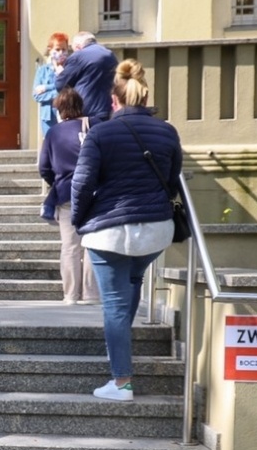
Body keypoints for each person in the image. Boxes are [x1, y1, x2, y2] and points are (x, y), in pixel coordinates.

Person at [70, 60, 182, 401]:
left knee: (115, 306)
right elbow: (174, 177)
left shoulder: (100, 133)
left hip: (110, 231)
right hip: (155, 230)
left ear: (113, 100)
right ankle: (121, 349)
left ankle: (121, 382)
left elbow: (82, 181)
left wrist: (79, 219)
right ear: (143, 96)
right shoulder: (167, 131)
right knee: (132, 282)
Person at [38, 86, 100, 305]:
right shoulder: (94, 126)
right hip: (94, 192)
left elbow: (44, 167)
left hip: (67, 193)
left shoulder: (53, 133)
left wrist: (56, 182)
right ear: (80, 106)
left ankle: (71, 295)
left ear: (60, 109)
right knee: (92, 243)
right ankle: (92, 295)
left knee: (70, 246)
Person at [54, 31, 118, 121]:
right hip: (108, 110)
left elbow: (60, 85)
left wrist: (60, 73)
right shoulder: (110, 55)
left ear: (78, 47)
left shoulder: (78, 56)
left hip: (85, 112)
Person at [32, 32, 69, 143]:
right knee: (51, 145)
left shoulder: (70, 68)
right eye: (57, 49)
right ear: (50, 50)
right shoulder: (43, 70)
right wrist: (57, 93)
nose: (61, 53)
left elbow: (71, 90)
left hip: (66, 114)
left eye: (64, 49)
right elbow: (36, 95)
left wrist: (47, 88)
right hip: (48, 116)